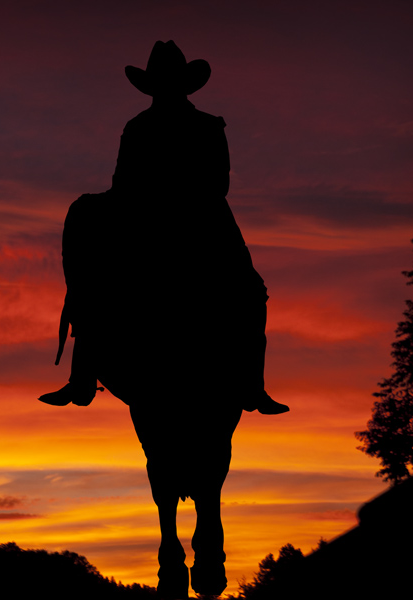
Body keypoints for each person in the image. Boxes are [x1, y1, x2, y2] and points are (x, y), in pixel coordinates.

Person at [39, 41, 288, 417]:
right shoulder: (143, 127)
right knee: (92, 278)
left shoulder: (202, 126)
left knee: (252, 293)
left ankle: (251, 385)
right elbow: (126, 180)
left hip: (199, 215)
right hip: (170, 214)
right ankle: (84, 375)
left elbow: (215, 182)